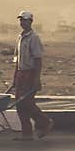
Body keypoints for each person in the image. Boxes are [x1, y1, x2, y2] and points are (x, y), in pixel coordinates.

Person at [11, 11, 53, 140]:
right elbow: (17, 59)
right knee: (19, 104)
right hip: (21, 73)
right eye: (21, 20)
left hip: (30, 73)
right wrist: (14, 78)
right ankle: (27, 134)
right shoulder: (20, 37)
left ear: (30, 22)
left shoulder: (34, 38)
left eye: (25, 20)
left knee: (27, 102)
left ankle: (45, 123)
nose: (22, 23)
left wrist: (36, 79)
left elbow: (37, 60)